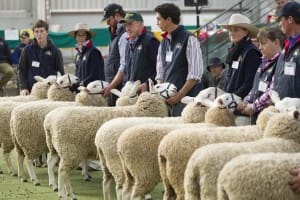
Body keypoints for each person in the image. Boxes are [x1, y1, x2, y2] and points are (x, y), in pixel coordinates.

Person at [154, 3, 203, 116]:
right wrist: (162, 92)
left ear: (169, 20)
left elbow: (195, 74)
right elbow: (160, 72)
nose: (157, 23)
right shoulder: (163, 42)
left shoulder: (190, 39)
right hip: (167, 101)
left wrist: (179, 95)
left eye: (159, 19)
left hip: (185, 101)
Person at [103, 12, 159, 97]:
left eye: (130, 24)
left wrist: (147, 84)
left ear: (140, 24)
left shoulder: (150, 42)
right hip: (130, 93)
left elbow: (160, 69)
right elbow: (125, 68)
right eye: (125, 25)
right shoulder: (129, 43)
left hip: (146, 95)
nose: (127, 28)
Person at [237, 27, 285, 123]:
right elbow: (255, 87)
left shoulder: (281, 62)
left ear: (276, 42)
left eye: (263, 43)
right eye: (259, 44)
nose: (259, 47)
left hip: (270, 118)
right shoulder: (263, 62)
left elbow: (272, 91)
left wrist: (254, 106)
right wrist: (246, 101)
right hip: (259, 117)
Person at [221, 13, 262, 99]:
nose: (231, 33)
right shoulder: (235, 51)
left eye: (235, 30)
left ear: (246, 32)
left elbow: (250, 82)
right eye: (230, 30)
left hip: (242, 103)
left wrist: (232, 98)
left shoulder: (251, 52)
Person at [19, 19, 64, 95]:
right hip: (32, 90)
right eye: (36, 31)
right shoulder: (27, 50)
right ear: (33, 33)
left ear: (47, 32)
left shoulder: (55, 51)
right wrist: (23, 87)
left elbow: (60, 72)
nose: (39, 34)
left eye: (42, 31)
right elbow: (22, 70)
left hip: (50, 91)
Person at [272, 1, 300, 99]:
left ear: (290, 19)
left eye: (281, 20)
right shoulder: (287, 46)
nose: (279, 24)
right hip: (283, 107)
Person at [101, 3, 127, 106]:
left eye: (109, 19)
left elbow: (124, 64)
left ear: (117, 16)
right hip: (113, 84)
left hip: (118, 85)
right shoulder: (115, 34)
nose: (107, 23)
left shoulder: (124, 34)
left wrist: (112, 85)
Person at [68, 23, 105, 90]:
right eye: (78, 35)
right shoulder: (78, 55)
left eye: (83, 35)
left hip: (93, 91)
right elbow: (77, 75)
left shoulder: (93, 52)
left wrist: (81, 84)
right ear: (75, 37)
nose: (80, 37)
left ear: (87, 36)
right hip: (81, 91)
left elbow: (95, 74)